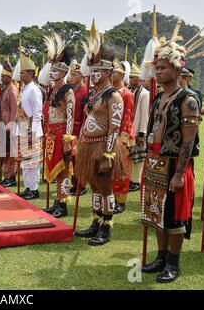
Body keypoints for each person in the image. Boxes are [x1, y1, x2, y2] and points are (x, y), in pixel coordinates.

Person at [141, 37, 200, 283]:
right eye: (157, 67)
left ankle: (173, 264)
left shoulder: (188, 100)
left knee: (174, 217)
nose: (159, 71)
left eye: (164, 67)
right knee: (156, 213)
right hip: (155, 162)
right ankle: (161, 257)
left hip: (175, 165)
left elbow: (188, 142)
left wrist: (179, 174)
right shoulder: (157, 98)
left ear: (178, 69)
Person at [74, 22, 128, 246]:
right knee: (94, 184)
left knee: (105, 187)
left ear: (109, 72)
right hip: (88, 145)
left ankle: (106, 227)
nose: (94, 74)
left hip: (103, 148)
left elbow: (114, 128)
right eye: (93, 71)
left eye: (99, 71)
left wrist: (107, 155)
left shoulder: (114, 97)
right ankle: (96, 221)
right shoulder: (96, 94)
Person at [40, 33, 76, 218]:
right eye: (51, 69)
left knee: (64, 170)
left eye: (56, 70)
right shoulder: (52, 89)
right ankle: (57, 201)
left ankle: (63, 204)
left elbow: (70, 116)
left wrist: (68, 139)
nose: (52, 72)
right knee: (56, 171)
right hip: (51, 134)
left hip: (62, 133)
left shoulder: (67, 90)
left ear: (63, 72)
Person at [16, 53, 43, 200]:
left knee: (32, 163)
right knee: (26, 162)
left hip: (32, 130)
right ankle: (28, 187)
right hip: (23, 129)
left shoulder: (34, 89)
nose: (20, 74)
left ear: (31, 74)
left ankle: (34, 189)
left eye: (23, 72)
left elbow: (37, 113)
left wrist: (33, 132)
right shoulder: (24, 88)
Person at [111, 58, 135, 214]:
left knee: (121, 170)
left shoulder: (127, 94)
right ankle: (110, 197)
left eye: (114, 72)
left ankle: (120, 200)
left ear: (121, 74)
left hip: (121, 136)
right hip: (108, 134)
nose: (111, 74)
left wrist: (123, 138)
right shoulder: (109, 92)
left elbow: (128, 116)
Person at [128, 58, 150, 192]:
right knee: (130, 157)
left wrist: (142, 134)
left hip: (138, 131)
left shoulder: (144, 94)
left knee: (138, 158)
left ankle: (136, 181)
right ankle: (131, 179)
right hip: (129, 130)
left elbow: (145, 115)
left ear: (139, 78)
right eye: (129, 77)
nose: (130, 80)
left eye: (133, 77)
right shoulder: (130, 91)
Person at [0, 59, 18, 187]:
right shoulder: (5, 89)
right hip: (3, 124)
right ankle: (6, 175)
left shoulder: (12, 90)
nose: (2, 78)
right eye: (1, 76)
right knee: (4, 151)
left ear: (9, 77)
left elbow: (14, 109)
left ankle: (11, 176)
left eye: (4, 76)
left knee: (11, 152)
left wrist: (11, 123)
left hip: (10, 125)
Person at [69, 59, 88, 196]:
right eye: (71, 74)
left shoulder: (85, 91)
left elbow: (85, 114)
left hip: (80, 129)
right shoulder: (72, 90)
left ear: (81, 76)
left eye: (74, 74)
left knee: (79, 159)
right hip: (71, 129)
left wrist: (82, 131)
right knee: (71, 158)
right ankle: (74, 183)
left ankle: (81, 185)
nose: (72, 77)